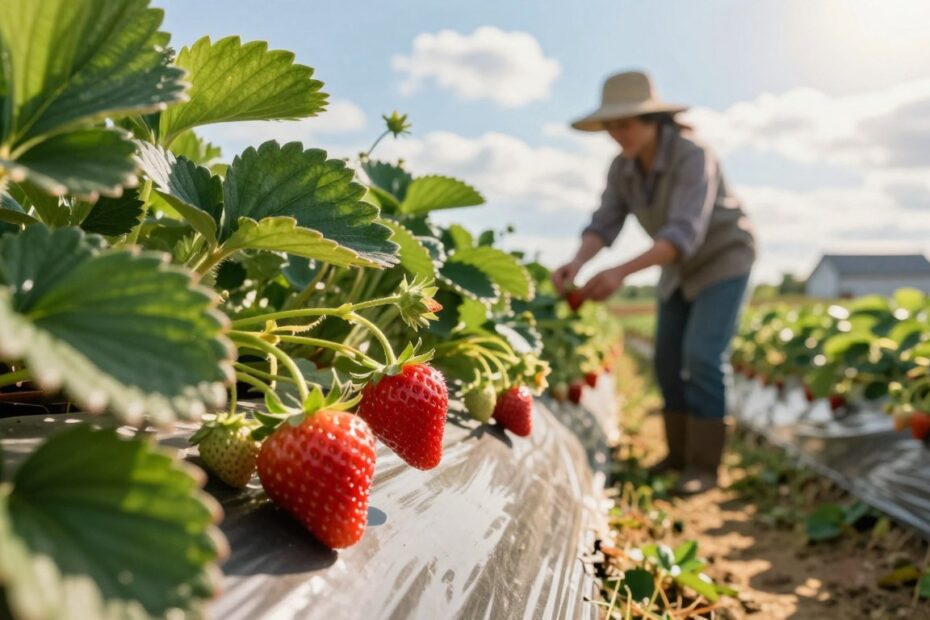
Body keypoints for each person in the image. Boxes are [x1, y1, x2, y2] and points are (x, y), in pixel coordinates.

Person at [552, 70, 755, 494]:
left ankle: (704, 467)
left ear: (653, 121)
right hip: (676, 267)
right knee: (665, 358)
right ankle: (677, 458)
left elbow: (683, 233)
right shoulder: (622, 169)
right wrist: (576, 263)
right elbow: (604, 223)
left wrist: (619, 273)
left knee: (701, 354)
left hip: (722, 260)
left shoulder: (692, 155)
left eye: (625, 123)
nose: (617, 134)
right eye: (611, 125)